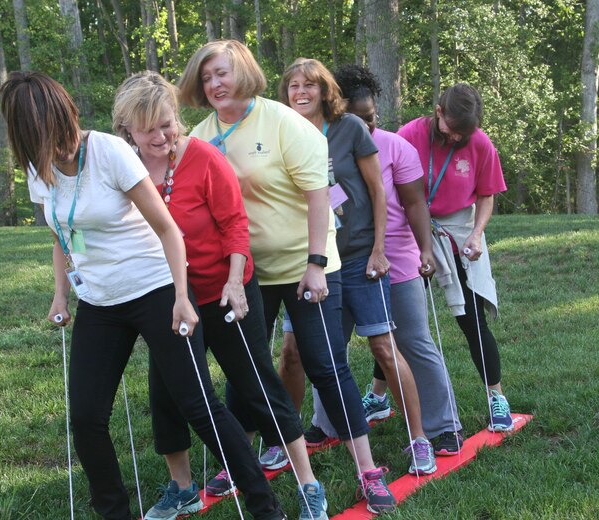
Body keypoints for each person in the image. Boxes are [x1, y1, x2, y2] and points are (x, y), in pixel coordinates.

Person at [0, 71, 284, 520]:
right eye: (49, 138)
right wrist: (60, 295)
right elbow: (62, 232)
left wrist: (182, 296)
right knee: (87, 416)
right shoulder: (39, 168)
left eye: (64, 130)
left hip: (155, 289)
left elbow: (168, 228)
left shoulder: (108, 152)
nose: (64, 145)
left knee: (198, 404)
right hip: (100, 300)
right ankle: (114, 512)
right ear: (29, 138)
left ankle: (265, 506)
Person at [179, 40, 396, 515]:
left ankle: (368, 469)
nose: (214, 84)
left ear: (245, 74)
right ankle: (239, 460)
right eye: (206, 77)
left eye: (223, 73)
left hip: (306, 264)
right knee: (245, 367)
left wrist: (317, 261)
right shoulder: (198, 135)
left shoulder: (282, 121)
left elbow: (319, 194)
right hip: (245, 272)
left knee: (324, 365)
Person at [112, 70, 326, 520]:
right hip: (169, 300)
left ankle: (308, 483)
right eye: (149, 127)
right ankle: (182, 487)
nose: (162, 135)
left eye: (168, 123)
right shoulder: (124, 169)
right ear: (126, 127)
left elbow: (235, 225)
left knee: (255, 385)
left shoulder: (204, 158)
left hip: (225, 290)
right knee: (168, 393)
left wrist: (234, 281)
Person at [275, 57, 437, 476]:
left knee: (383, 348)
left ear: (324, 89)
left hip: (358, 257)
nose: (301, 92)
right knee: (293, 353)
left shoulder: (349, 128)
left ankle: (418, 439)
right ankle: (282, 440)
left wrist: (380, 249)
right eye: (293, 85)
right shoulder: (280, 131)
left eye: (309, 84)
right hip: (307, 261)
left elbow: (379, 193)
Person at [330, 64, 465, 454]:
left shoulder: (396, 147)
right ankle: (326, 424)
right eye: (356, 120)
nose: (365, 128)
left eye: (370, 119)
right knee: (327, 346)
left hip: (396, 258)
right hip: (339, 260)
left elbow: (414, 202)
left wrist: (425, 249)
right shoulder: (319, 144)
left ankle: (444, 426)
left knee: (412, 340)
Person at [397, 83, 515, 432]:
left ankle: (496, 397)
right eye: (451, 130)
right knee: (404, 320)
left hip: (457, 228)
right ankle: (377, 395)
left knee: (471, 318)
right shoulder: (409, 135)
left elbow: (487, 195)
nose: (455, 138)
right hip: (411, 228)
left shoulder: (479, 142)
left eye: (464, 133)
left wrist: (477, 234)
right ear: (438, 113)